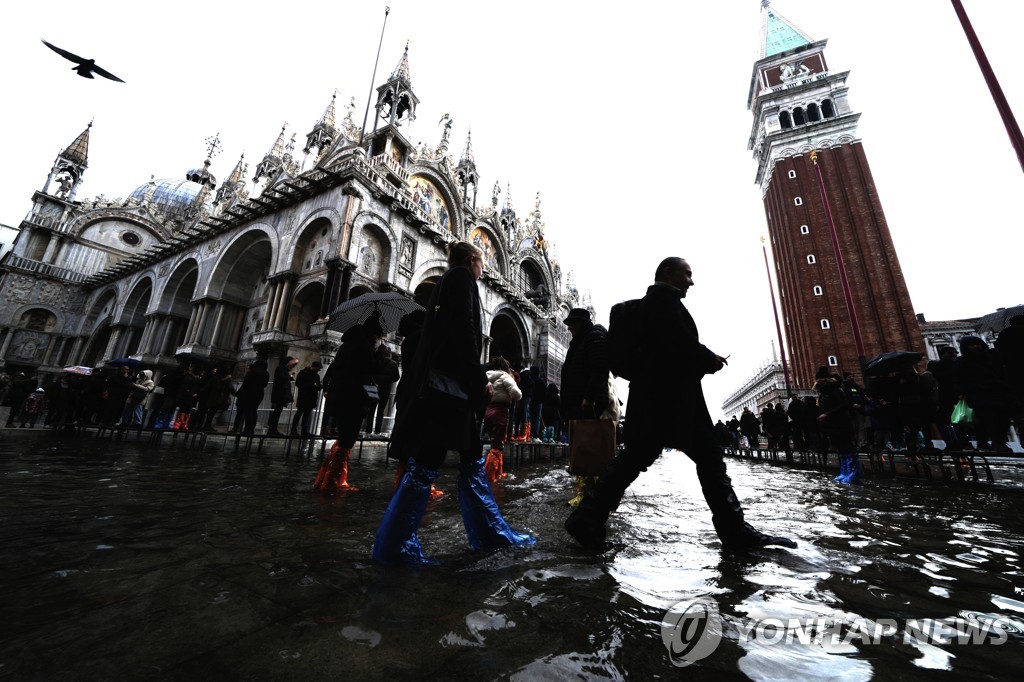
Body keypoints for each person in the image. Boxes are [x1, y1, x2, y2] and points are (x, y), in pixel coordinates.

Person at [564, 257, 795, 551]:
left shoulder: (640, 309)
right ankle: (735, 531)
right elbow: (678, 346)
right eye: (687, 274)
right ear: (668, 274)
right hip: (676, 401)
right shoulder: (664, 302)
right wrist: (709, 359)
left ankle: (587, 517)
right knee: (709, 459)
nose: (691, 281)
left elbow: (654, 350)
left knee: (634, 459)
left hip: (649, 400)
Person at [373, 241, 535, 564]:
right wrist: (478, 380)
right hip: (450, 392)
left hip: (447, 389)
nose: (484, 268)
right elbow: (464, 333)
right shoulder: (461, 279)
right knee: (433, 465)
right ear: (473, 260)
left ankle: (488, 535)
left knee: (465, 460)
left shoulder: (447, 281)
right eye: (482, 261)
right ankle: (395, 547)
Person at [314, 313, 383, 491]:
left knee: (343, 439)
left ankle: (328, 478)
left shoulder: (348, 344)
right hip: (353, 398)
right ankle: (334, 482)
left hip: (343, 396)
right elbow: (370, 368)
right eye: (378, 336)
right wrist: (380, 355)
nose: (378, 339)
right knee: (347, 440)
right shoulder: (363, 346)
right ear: (373, 333)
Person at [560, 306, 612, 507]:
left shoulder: (594, 336)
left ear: (581, 323)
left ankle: (590, 493)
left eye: (572, 323)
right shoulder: (583, 339)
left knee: (587, 447)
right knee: (582, 446)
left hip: (587, 403)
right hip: (579, 402)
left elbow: (600, 367)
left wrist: (589, 398)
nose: (569, 328)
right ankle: (587, 490)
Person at [954, 336, 1013, 452]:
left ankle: (997, 442)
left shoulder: (991, 356)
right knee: (985, 419)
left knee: (1003, 417)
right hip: (977, 394)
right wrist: (960, 393)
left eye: (977, 344)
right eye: (971, 345)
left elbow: (1001, 371)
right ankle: (993, 443)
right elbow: (957, 378)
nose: (975, 347)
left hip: (997, 390)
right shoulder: (961, 361)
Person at [815, 369, 862, 484]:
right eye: (819, 378)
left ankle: (854, 474)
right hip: (833, 425)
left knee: (848, 448)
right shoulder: (823, 392)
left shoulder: (836, 390)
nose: (821, 380)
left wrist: (827, 414)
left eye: (823, 377)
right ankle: (844, 472)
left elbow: (843, 405)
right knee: (841, 449)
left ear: (828, 378)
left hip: (842, 423)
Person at [483, 356, 522, 481]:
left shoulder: (486, 375)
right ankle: (490, 476)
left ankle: (499, 473)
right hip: (501, 411)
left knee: (495, 442)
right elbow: (517, 394)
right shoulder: (505, 376)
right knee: (497, 445)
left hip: (488, 410)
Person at [368, 346, 400, 434]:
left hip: (373, 388)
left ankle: (368, 429)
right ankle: (377, 431)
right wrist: (388, 381)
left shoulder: (374, 361)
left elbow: (369, 373)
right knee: (380, 411)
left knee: (371, 410)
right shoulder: (393, 363)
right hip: (385, 389)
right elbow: (396, 377)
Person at [234, 359, 270, 436]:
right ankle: (251, 429)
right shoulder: (266, 373)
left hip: (250, 392)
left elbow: (246, 383)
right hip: (260, 393)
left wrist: (239, 393)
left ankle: (247, 429)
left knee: (248, 411)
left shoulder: (253, 371)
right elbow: (265, 384)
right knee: (254, 411)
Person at [267, 356, 298, 436]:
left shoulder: (283, 369)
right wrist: (289, 378)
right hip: (279, 394)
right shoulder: (280, 368)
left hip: (281, 394)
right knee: (277, 412)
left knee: (277, 411)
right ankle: (272, 429)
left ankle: (273, 429)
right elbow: (281, 378)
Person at [290, 361, 322, 436]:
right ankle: (293, 430)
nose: (317, 371)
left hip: (310, 398)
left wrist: (315, 386)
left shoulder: (316, 376)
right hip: (304, 397)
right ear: (313, 367)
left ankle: (304, 431)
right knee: (299, 413)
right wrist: (313, 385)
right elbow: (298, 383)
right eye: (317, 369)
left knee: (306, 415)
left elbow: (318, 386)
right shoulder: (303, 373)